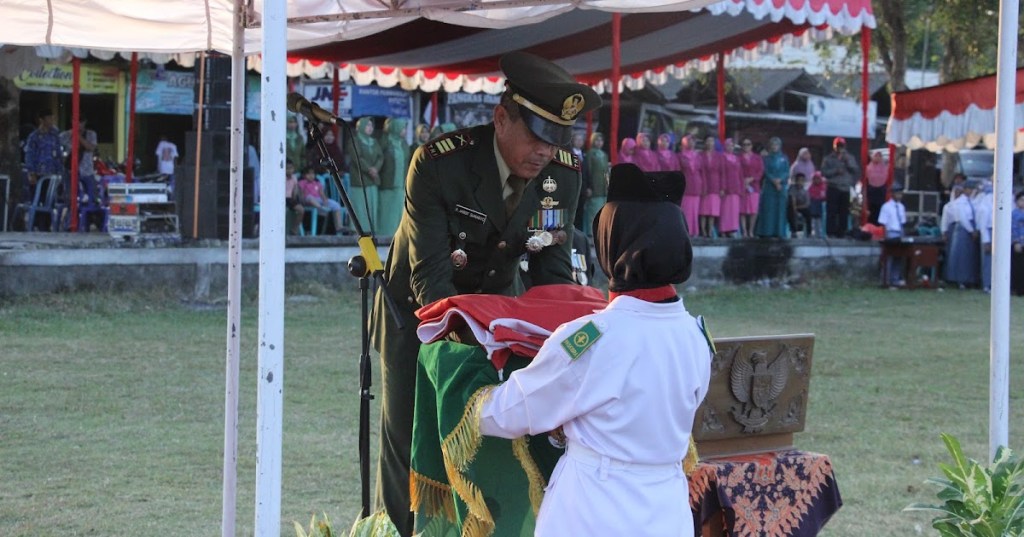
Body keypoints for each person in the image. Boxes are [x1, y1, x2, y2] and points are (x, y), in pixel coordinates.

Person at [370, 51, 600, 536]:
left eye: (558, 139)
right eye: (538, 135)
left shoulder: (562, 175)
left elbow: (552, 272)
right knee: (410, 433)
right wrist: (474, 348)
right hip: (418, 315)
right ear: (501, 118)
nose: (545, 151)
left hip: (498, 313)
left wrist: (556, 351)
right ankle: (402, 529)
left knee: (498, 437)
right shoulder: (437, 165)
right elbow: (430, 279)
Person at [472, 162, 712, 536]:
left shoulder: (593, 338)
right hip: (667, 511)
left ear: (611, 245)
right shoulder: (696, 336)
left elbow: (513, 412)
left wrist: (465, 399)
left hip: (595, 509)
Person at [347, 117, 384, 232]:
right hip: (360, 179)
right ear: (361, 127)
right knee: (360, 205)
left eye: (371, 126)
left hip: (373, 179)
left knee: (372, 205)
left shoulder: (374, 141)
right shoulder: (354, 140)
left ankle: (371, 229)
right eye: (367, 125)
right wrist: (369, 170)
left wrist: (375, 169)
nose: (370, 128)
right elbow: (357, 157)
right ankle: (358, 230)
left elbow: (380, 157)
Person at [820, 136, 860, 238]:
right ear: (834, 146)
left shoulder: (850, 157)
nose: (840, 148)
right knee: (832, 211)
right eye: (838, 146)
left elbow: (856, 170)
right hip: (833, 186)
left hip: (845, 188)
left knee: (844, 212)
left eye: (841, 146)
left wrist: (848, 162)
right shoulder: (828, 158)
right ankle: (831, 232)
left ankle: (842, 232)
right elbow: (824, 172)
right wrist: (835, 171)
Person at [379, 117, 411, 237]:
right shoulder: (385, 141)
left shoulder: (404, 144)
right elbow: (379, 158)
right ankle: (386, 234)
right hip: (387, 184)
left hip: (401, 184)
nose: (405, 131)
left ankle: (398, 235)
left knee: (399, 211)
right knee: (388, 211)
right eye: (403, 128)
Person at [945, 180, 980, 289]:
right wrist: (971, 230)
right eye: (969, 189)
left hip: (970, 228)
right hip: (963, 229)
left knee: (969, 256)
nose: (971, 191)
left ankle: (968, 279)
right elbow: (963, 218)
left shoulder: (971, 201)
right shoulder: (960, 202)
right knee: (961, 256)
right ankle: (959, 279)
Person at [23, 108, 64, 202]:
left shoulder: (55, 134)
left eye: (52, 118)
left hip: (53, 174)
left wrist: (60, 171)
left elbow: (58, 154)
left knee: (51, 201)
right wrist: (31, 173)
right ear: (42, 120)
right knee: (37, 200)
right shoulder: (34, 136)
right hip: (38, 174)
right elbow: (29, 155)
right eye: (49, 118)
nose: (51, 121)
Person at [62, 117, 101, 209]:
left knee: (92, 197)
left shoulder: (91, 134)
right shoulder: (64, 135)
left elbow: (91, 147)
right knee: (70, 198)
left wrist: (78, 136)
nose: (79, 124)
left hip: (86, 170)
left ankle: (89, 218)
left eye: (81, 122)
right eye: (76, 121)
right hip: (69, 171)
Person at [755, 136, 790, 238]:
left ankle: (779, 231)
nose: (775, 147)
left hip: (781, 187)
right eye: (773, 145)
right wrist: (774, 180)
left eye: (777, 145)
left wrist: (780, 180)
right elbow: (765, 171)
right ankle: (767, 231)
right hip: (769, 187)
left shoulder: (784, 158)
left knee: (780, 210)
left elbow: (787, 171)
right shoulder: (766, 158)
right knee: (769, 210)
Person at [298, 165, 345, 234]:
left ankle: (339, 226)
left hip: (318, 200)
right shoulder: (302, 183)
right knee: (310, 197)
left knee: (336, 205)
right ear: (304, 175)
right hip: (307, 200)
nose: (311, 176)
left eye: (312, 174)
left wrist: (325, 201)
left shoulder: (317, 183)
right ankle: (321, 210)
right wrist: (301, 200)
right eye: (308, 174)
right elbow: (301, 193)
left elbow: (322, 193)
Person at [878, 182, 908, 287]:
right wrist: (885, 236)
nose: (899, 196)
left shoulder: (901, 207)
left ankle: (895, 279)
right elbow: (884, 223)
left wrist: (903, 234)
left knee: (898, 257)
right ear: (892, 194)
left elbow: (902, 222)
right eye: (897, 193)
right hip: (891, 233)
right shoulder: (886, 207)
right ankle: (885, 280)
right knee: (889, 257)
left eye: (901, 193)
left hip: (899, 232)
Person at [583, 132, 609, 239]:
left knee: (601, 211)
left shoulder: (604, 155)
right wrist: (588, 186)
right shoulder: (590, 154)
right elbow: (587, 171)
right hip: (594, 187)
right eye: (597, 140)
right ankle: (590, 233)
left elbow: (606, 171)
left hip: (603, 188)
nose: (599, 143)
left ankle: (599, 232)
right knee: (592, 211)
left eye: (601, 140)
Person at [677, 134, 703, 236]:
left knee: (694, 210)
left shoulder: (698, 156)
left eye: (692, 140)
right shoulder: (679, 156)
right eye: (688, 140)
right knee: (685, 209)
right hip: (685, 185)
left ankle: (693, 231)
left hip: (696, 185)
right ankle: (684, 230)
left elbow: (701, 171)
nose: (691, 142)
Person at [697, 135, 723, 238]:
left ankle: (710, 230)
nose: (710, 143)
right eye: (708, 141)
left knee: (713, 211)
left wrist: (722, 187)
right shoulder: (700, 155)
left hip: (715, 184)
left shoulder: (718, 156)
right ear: (705, 143)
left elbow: (722, 172)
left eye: (712, 141)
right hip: (704, 183)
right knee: (703, 210)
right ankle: (703, 230)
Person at [739, 138, 763, 238]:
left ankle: (751, 230)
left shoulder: (757, 158)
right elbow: (736, 171)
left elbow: (761, 171)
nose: (746, 146)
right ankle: (744, 231)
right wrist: (743, 180)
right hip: (742, 185)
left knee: (753, 210)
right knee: (743, 210)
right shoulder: (738, 158)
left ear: (751, 146)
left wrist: (752, 178)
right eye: (744, 144)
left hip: (754, 186)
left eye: (748, 144)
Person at [719, 138, 743, 238]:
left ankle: (732, 229)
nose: (730, 147)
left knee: (734, 210)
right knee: (725, 210)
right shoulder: (722, 157)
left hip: (736, 187)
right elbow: (722, 173)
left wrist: (741, 187)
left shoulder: (736, 158)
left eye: (732, 145)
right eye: (728, 145)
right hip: (727, 187)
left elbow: (740, 174)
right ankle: (723, 230)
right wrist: (723, 187)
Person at [864, 150, 888, 225]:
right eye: (876, 156)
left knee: (880, 208)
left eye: (879, 156)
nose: (878, 158)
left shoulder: (884, 167)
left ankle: (879, 225)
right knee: (872, 208)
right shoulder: (868, 167)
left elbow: (885, 177)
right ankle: (871, 225)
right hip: (872, 189)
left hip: (881, 190)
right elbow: (868, 176)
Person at [284, 160, 305, 235]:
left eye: (290, 168)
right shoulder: (281, 177)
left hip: (290, 199)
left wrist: (296, 198)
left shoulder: (294, 178)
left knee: (301, 210)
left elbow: (295, 190)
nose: (289, 170)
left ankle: (294, 229)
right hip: (282, 198)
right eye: (287, 168)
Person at [787, 172, 811, 238]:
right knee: (791, 211)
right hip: (792, 205)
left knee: (808, 212)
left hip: (802, 206)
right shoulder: (792, 188)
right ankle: (793, 231)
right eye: (799, 180)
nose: (800, 182)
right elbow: (792, 200)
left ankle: (809, 232)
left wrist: (798, 208)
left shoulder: (806, 190)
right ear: (796, 180)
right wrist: (795, 210)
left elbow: (807, 204)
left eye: (802, 180)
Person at [1010, 191, 1024, 296]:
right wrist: (1016, 241)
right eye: (1022, 200)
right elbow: (1013, 229)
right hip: (1018, 244)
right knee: (1018, 267)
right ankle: (1017, 289)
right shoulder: (1014, 214)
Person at [808, 171, 827, 238]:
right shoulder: (811, 187)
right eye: (815, 179)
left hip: (821, 207)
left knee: (820, 221)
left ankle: (821, 234)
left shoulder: (823, 187)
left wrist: (819, 198)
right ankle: (814, 233)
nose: (816, 180)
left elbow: (824, 196)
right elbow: (809, 195)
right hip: (813, 207)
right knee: (814, 221)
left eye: (818, 178)